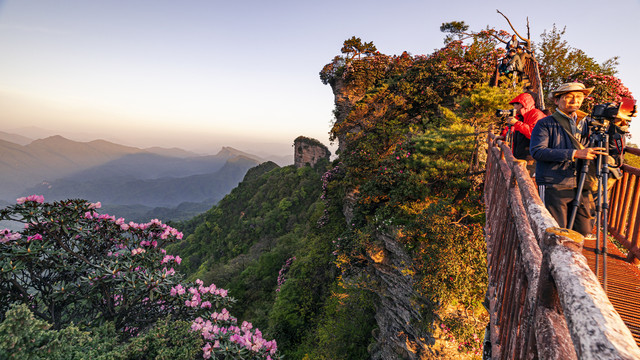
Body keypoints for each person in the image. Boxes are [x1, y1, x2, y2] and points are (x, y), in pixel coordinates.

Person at [530, 82, 606, 236]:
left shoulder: (588, 124)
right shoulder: (545, 123)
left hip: (582, 182)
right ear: (557, 100)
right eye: (569, 97)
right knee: (556, 232)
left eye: (579, 97)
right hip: (554, 183)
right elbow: (537, 152)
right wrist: (574, 154)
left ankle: (573, 259)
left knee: (583, 230)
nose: (575, 100)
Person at [499, 93, 546, 174]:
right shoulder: (519, 116)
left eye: (515, 105)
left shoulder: (536, 114)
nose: (514, 107)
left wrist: (516, 123)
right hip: (518, 155)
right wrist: (502, 137)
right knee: (517, 178)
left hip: (531, 157)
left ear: (522, 105)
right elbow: (510, 130)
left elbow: (533, 134)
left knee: (526, 180)